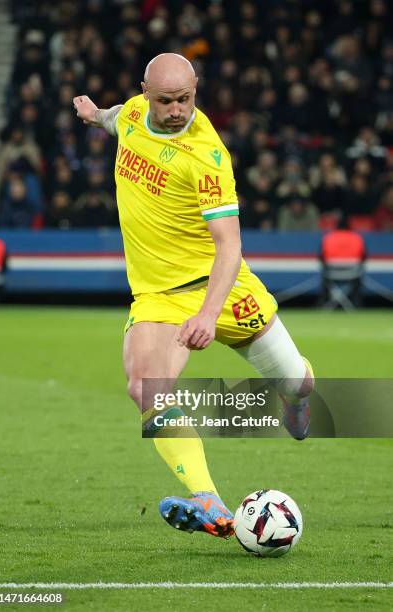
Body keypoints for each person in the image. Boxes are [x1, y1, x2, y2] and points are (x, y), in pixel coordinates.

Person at [73, 53, 314, 540]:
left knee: (297, 382)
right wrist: (95, 114)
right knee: (146, 387)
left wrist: (208, 313)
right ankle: (209, 499)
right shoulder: (135, 115)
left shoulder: (208, 157)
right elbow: (116, 121)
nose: (176, 110)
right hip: (160, 297)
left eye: (185, 99)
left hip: (221, 288)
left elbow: (230, 246)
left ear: (196, 90)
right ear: (145, 93)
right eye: (165, 100)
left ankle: (296, 398)